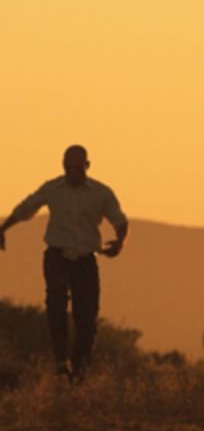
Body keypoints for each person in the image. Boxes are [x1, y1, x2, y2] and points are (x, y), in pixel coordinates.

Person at [0, 145, 128, 380]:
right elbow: (27, 207)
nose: (72, 172)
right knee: (56, 304)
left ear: (87, 166)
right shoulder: (53, 188)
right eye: (67, 167)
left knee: (87, 318)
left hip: (86, 260)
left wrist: (119, 243)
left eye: (77, 168)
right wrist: (4, 228)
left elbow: (119, 220)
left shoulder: (101, 193)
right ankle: (61, 360)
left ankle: (79, 370)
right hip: (57, 256)